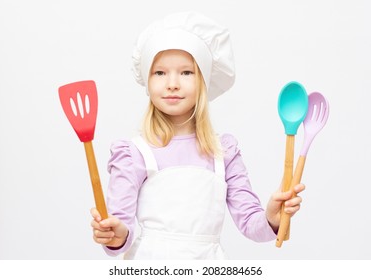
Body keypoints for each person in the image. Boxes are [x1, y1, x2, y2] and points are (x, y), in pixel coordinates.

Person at [90, 11, 305, 260]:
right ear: (147, 80)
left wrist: (272, 217)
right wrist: (115, 234)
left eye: (186, 72)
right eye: (159, 73)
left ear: (204, 80)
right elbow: (120, 228)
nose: (172, 83)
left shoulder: (223, 152)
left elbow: (251, 224)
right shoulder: (133, 153)